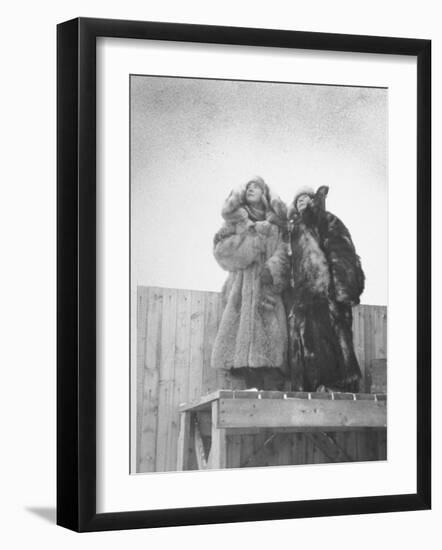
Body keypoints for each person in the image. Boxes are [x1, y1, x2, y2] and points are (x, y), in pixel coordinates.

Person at [211, 177, 290, 390]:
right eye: (248, 187)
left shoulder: (277, 226)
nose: (251, 189)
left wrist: (272, 269)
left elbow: (285, 254)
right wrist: (250, 247)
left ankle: (274, 411)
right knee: (245, 361)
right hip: (240, 297)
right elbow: (220, 251)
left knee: (273, 356)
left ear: (264, 193)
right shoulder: (235, 223)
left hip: (269, 296)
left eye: (255, 186)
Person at [287, 185, 365, 392]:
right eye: (297, 199)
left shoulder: (326, 220)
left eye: (305, 197)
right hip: (303, 301)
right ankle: (310, 394)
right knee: (307, 351)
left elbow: (342, 252)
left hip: (326, 295)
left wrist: (342, 291)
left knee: (334, 348)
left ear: (313, 200)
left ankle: (339, 393)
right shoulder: (293, 231)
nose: (300, 201)